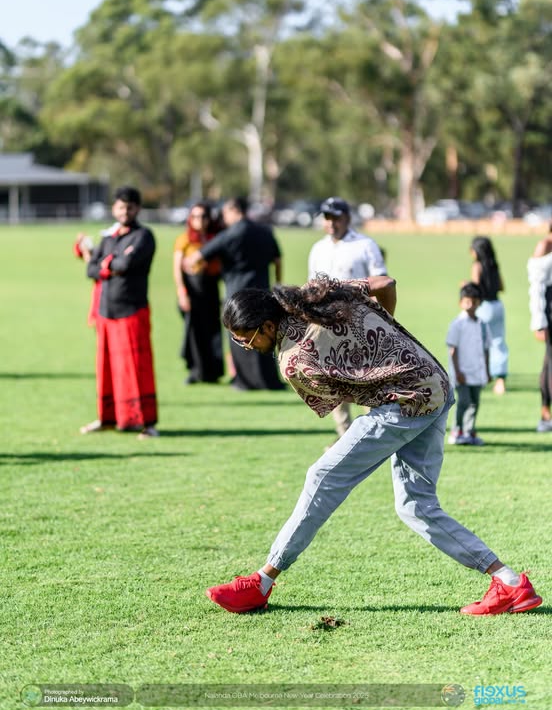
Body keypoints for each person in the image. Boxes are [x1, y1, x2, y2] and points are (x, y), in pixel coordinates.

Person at [205, 277, 542, 616]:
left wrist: (381, 366)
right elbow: (385, 283)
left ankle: (262, 582)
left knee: (322, 476)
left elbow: (339, 396)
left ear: (266, 325)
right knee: (415, 506)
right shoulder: (316, 292)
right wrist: (388, 338)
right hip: (434, 383)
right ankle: (510, 582)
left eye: (247, 340)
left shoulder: (292, 362)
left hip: (405, 402)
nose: (247, 348)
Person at [80, 186, 159, 439]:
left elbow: (127, 264)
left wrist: (106, 263)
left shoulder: (143, 236)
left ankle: (147, 424)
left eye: (130, 207)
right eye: (121, 206)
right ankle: (107, 418)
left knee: (137, 369)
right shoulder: (109, 237)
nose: (125, 211)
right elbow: (91, 269)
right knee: (107, 369)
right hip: (106, 312)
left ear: (137, 209)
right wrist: (109, 265)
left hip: (132, 310)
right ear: (114, 208)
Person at [183, 196, 284, 391]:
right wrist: (277, 283)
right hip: (263, 293)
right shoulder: (264, 231)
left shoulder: (230, 234)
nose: (223, 218)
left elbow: (196, 257)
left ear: (233, 210)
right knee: (265, 337)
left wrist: (195, 272)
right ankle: (269, 381)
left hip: (238, 295)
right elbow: (277, 259)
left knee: (242, 339)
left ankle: (244, 382)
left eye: (225, 214)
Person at [308, 196, 387, 438]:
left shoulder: (365, 245)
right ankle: (345, 436)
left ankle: (376, 434)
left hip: (358, 324)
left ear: (347, 218)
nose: (331, 223)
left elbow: (381, 283)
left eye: (336, 218)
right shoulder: (318, 248)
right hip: (327, 326)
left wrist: (378, 321)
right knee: (334, 382)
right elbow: (311, 288)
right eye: (327, 217)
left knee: (366, 379)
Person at [173, 202, 224, 384]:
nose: (199, 221)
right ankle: (196, 371)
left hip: (210, 289)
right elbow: (177, 268)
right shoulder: (184, 239)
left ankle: (214, 372)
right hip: (192, 291)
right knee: (194, 332)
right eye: (195, 216)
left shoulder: (215, 238)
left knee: (213, 331)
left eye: (203, 216)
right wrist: (182, 293)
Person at [446, 283, 491, 446]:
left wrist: (487, 370)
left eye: (474, 302)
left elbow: (486, 349)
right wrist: (457, 371)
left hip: (478, 373)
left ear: (479, 302)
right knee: (463, 401)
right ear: (461, 303)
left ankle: (469, 431)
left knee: (475, 403)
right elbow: (453, 349)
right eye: (467, 302)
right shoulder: (457, 324)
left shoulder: (483, 325)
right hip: (462, 372)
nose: (470, 305)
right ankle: (456, 431)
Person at [469, 236, 508, 395]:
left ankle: (482, 376)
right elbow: (502, 287)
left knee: (479, 342)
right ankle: (500, 381)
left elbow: (475, 289)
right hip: (497, 305)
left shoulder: (477, 266)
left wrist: (466, 286)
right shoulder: (494, 266)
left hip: (484, 307)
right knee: (498, 343)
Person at [527, 221, 552, 432]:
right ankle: (546, 413)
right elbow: (536, 286)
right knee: (550, 362)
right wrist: (539, 321)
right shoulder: (545, 245)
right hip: (549, 307)